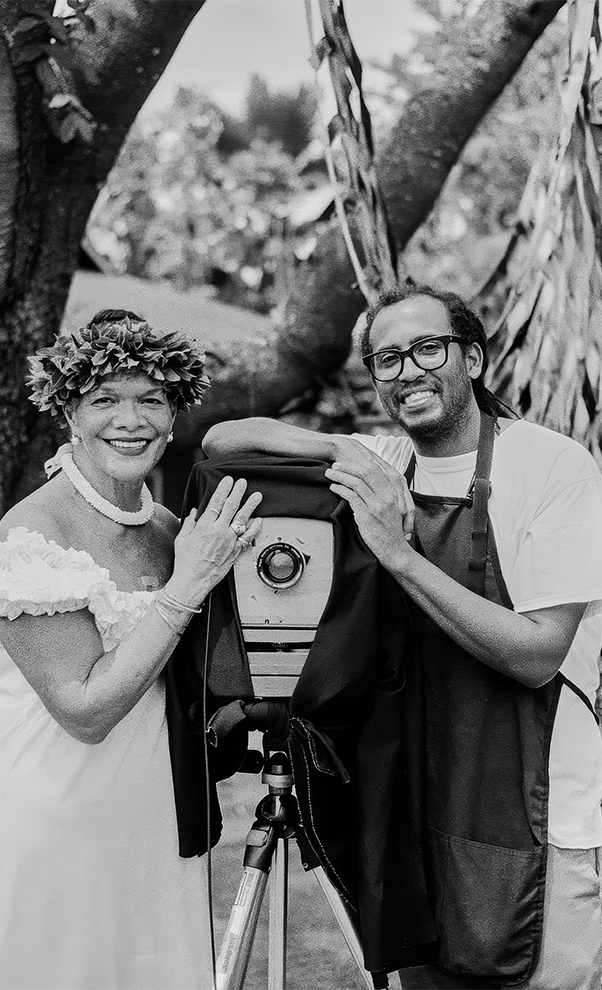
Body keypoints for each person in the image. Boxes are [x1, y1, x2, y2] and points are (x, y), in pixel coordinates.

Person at [202, 283, 602, 990]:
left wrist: (399, 554)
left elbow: (538, 654)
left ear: (472, 357)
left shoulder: (551, 466)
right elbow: (221, 439)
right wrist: (338, 451)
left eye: (427, 348)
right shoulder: (381, 462)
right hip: (414, 803)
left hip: (537, 808)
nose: (408, 371)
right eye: (387, 359)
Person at [0, 309, 262, 990]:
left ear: (174, 413)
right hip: (53, 832)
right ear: (70, 412)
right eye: (105, 400)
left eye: (151, 399)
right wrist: (189, 585)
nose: (131, 419)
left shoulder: (166, 529)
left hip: (153, 829)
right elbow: (86, 710)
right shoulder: (33, 535)